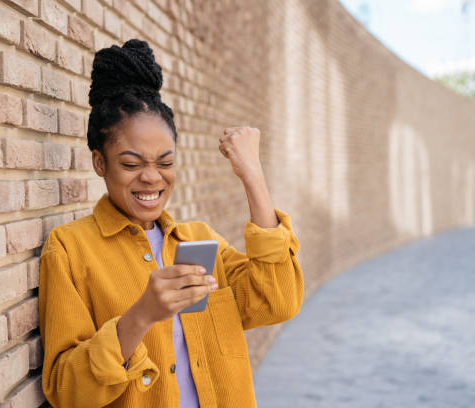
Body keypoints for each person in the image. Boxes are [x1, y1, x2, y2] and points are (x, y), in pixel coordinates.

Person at [38, 39, 304, 408]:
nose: (151, 178)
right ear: (100, 163)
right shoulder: (69, 249)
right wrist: (142, 315)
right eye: (131, 164)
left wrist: (253, 177)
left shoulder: (200, 241)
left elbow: (278, 301)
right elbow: (66, 390)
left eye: (165, 163)